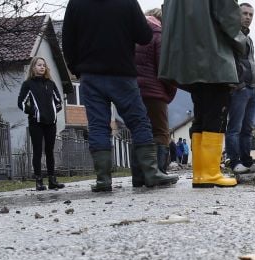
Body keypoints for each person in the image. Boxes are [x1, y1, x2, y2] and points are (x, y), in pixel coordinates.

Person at [62, 0, 176, 192]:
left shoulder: (76, 3)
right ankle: (151, 172)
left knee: (98, 126)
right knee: (139, 122)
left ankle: (103, 179)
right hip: (123, 75)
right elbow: (144, 36)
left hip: (91, 76)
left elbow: (67, 41)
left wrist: (77, 69)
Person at [161, 0, 247, 188]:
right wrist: (242, 41)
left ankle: (200, 173)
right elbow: (229, 18)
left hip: (187, 59)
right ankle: (211, 172)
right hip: (214, 56)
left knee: (201, 114)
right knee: (216, 115)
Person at [132, 7, 178, 187]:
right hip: (155, 92)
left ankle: (138, 176)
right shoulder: (159, 35)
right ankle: (159, 173)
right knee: (160, 133)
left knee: (140, 131)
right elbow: (165, 69)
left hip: (133, 92)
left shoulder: (132, 35)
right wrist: (169, 92)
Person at [18, 57, 65, 191]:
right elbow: (21, 103)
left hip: (51, 122)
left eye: (44, 65)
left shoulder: (50, 83)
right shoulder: (28, 84)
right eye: (39, 65)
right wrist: (34, 111)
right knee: (37, 151)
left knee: (50, 151)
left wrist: (54, 112)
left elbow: (58, 102)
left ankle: (52, 180)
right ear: (33, 67)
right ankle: (39, 181)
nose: (42, 67)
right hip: (36, 123)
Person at [226, 2, 255, 175]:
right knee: (234, 128)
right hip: (239, 87)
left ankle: (247, 161)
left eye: (250, 15)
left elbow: (250, 62)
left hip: (253, 87)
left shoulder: (249, 39)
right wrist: (233, 82)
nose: (247, 17)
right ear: (237, 15)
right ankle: (235, 162)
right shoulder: (232, 35)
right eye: (244, 13)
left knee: (247, 129)